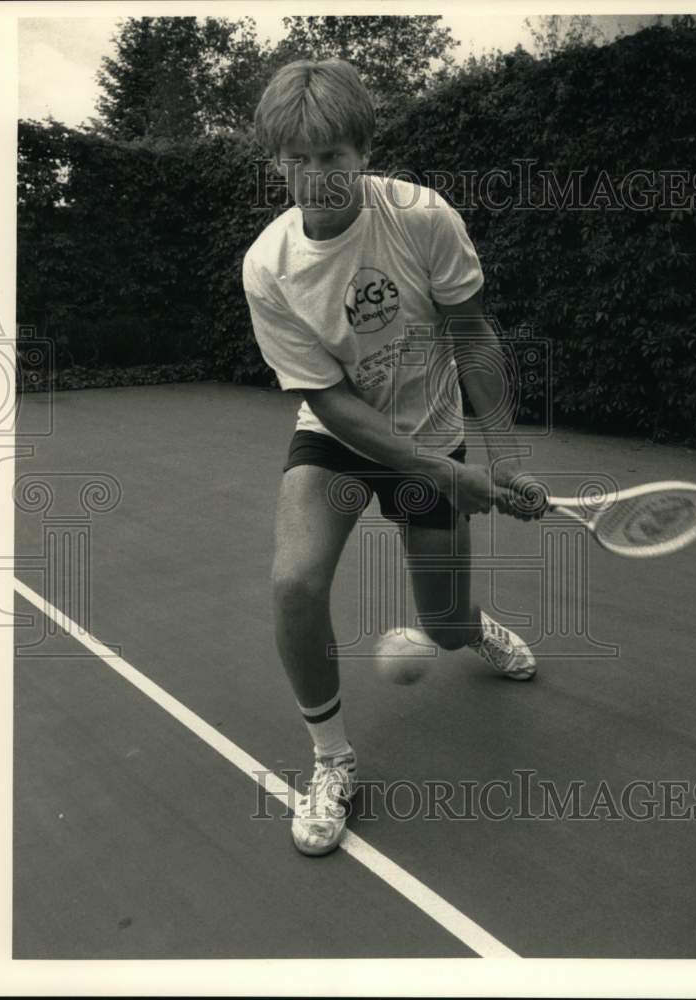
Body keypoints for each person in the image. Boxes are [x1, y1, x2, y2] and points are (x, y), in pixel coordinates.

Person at [243, 58, 547, 857]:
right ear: (278, 161)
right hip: (339, 440)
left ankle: (467, 624)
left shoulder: (421, 216)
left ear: (364, 151)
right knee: (294, 582)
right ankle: (332, 762)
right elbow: (332, 399)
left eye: (332, 157)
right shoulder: (268, 267)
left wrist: (502, 455)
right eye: (297, 160)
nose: (316, 179)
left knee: (443, 629)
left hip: (436, 422)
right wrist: (446, 474)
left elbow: (470, 333)